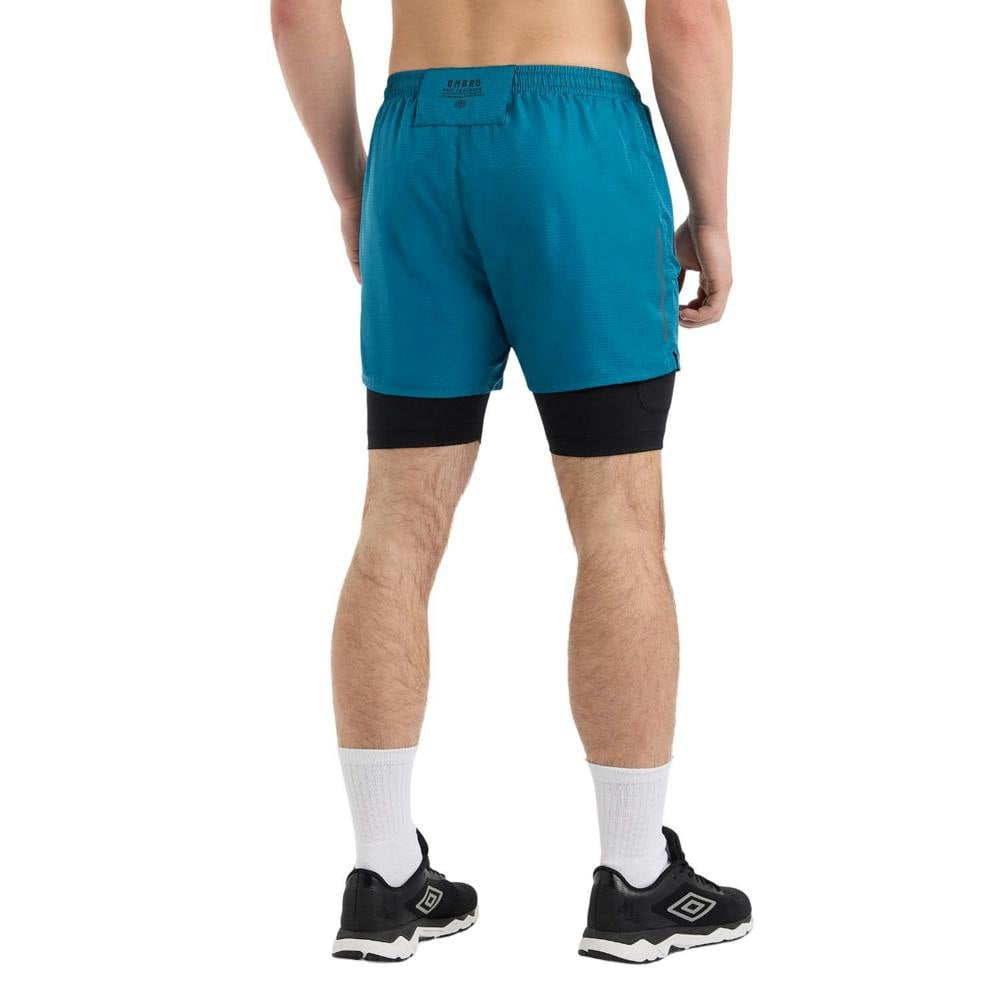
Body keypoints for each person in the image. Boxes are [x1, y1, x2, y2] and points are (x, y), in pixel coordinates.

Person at [272, 0, 750, 963]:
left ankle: (384, 877)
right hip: (575, 139)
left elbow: (295, 12)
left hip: (415, 139)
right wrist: (712, 212)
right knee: (617, 521)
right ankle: (636, 879)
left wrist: (353, 189)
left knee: (395, 521)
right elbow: (689, 16)